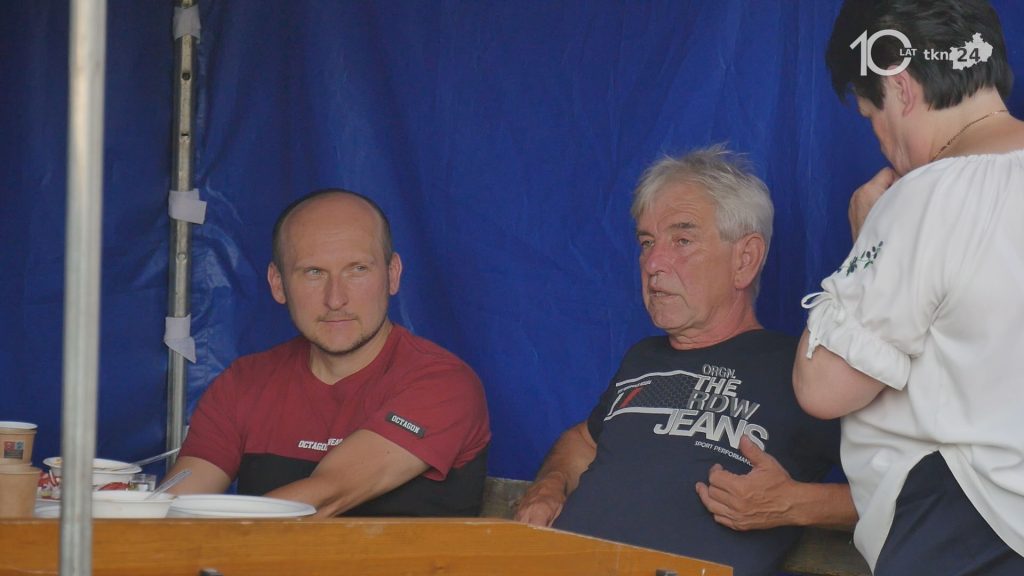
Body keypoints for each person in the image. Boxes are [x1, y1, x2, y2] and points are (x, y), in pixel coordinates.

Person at [515, 146, 856, 576]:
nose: (653, 263)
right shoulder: (643, 358)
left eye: (682, 240)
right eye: (646, 243)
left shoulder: (805, 372)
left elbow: (911, 493)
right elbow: (583, 441)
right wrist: (549, 485)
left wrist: (795, 503)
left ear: (745, 259)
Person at [794, 1, 1024, 574]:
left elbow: (822, 386)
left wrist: (868, 236)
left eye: (870, 114)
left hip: (967, 529)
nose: (879, 139)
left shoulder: (927, 196)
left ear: (899, 86)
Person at [166, 189, 491, 518]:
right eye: (314, 272)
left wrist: (212, 538)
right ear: (278, 283)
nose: (336, 299)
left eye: (357, 269)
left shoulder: (443, 385)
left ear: (392, 275)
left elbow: (323, 497)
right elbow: (174, 508)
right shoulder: (244, 383)